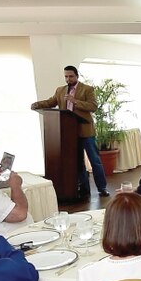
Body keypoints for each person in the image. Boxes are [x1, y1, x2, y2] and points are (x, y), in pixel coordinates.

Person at [30, 65, 109, 198]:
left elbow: (93, 106)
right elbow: (51, 102)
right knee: (78, 162)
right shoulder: (60, 90)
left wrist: (75, 101)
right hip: (69, 133)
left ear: (77, 76)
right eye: (66, 76)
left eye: (71, 76)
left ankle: (102, 188)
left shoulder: (87, 89)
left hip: (85, 131)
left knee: (95, 160)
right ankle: (84, 188)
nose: (68, 79)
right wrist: (37, 104)